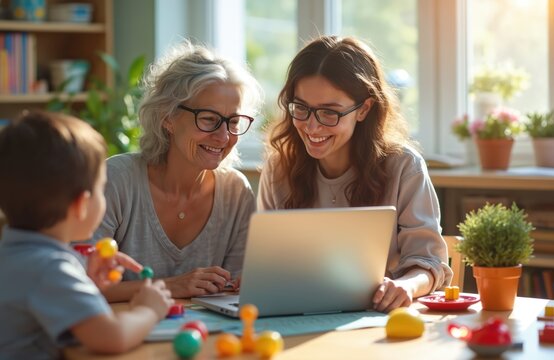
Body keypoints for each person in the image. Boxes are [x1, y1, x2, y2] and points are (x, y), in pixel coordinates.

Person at [258, 35, 452, 312]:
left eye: (329, 113)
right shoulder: (280, 168)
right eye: (301, 108)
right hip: (298, 315)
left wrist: (406, 286)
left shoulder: (404, 167)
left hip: (378, 320)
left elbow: (429, 263)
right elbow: (269, 265)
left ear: (363, 109)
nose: (311, 127)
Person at [94, 40, 263, 301]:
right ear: (168, 117)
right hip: (121, 334)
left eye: (234, 122)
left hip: (206, 336)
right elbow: (78, 286)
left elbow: (233, 293)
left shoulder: (235, 192)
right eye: (209, 119)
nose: (223, 136)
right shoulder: (117, 179)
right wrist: (172, 286)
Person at [0, 112, 174, 358]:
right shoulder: (51, 269)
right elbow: (112, 338)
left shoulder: (14, 254)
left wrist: (86, 282)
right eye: (101, 189)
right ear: (81, 204)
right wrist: (147, 310)